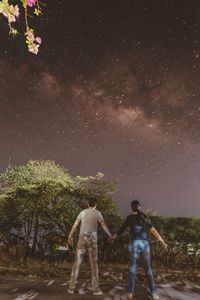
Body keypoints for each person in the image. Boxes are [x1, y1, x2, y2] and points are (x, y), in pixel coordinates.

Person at [111, 200, 167, 300]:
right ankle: (154, 293)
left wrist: (112, 237)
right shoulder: (145, 218)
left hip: (134, 244)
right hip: (145, 244)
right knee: (148, 268)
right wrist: (162, 242)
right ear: (140, 207)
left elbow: (121, 229)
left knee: (133, 268)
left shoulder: (129, 218)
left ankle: (129, 293)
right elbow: (153, 231)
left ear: (132, 208)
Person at [67, 197, 112, 296]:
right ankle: (96, 289)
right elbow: (103, 225)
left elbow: (75, 224)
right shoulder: (97, 213)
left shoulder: (82, 212)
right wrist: (110, 235)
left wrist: (70, 236)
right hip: (92, 239)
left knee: (77, 263)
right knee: (94, 265)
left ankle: (71, 288)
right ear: (95, 205)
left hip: (82, 238)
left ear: (88, 204)